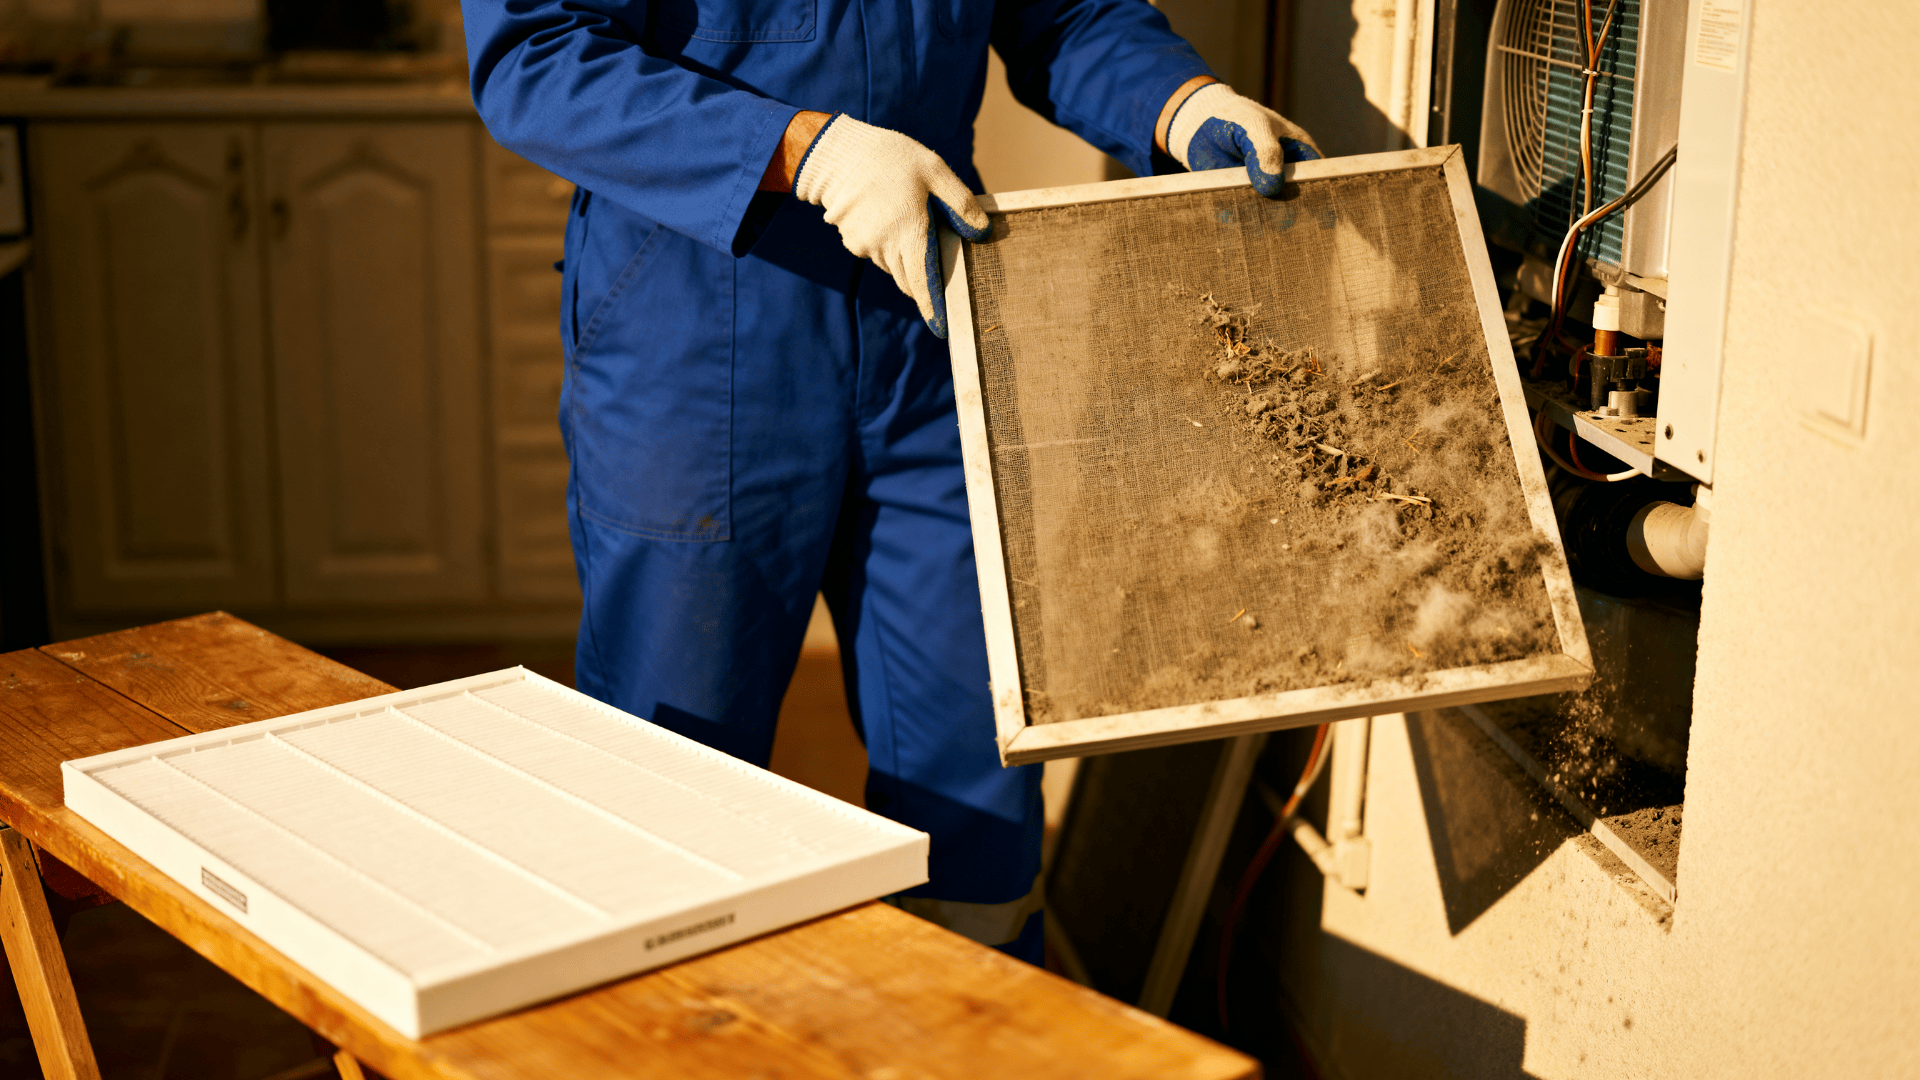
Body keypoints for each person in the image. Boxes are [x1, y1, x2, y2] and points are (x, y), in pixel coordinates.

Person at [463, 0, 1320, 964]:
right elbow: (535, 60)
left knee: (975, 773)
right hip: (696, 338)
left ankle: (976, 1016)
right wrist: (806, 152)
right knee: (677, 784)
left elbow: (1065, 14)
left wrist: (1177, 102)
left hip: (930, 330)